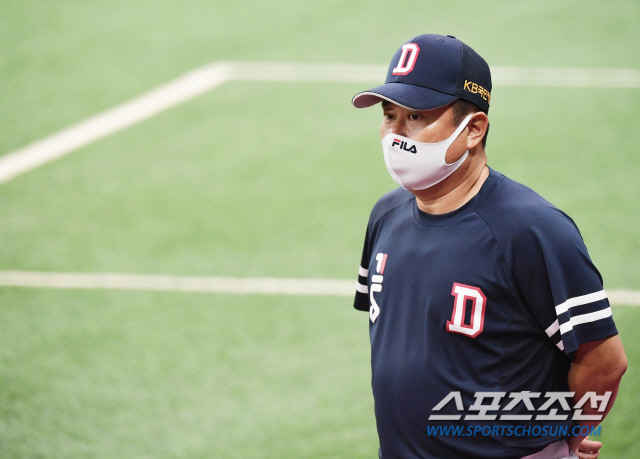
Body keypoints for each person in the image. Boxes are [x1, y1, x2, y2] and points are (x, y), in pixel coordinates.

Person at [351, 34, 627, 459]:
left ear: (474, 129)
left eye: (417, 117)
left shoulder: (532, 230)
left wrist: (567, 438)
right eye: (390, 116)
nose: (396, 135)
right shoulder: (385, 216)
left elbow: (604, 362)